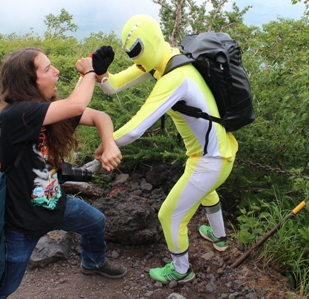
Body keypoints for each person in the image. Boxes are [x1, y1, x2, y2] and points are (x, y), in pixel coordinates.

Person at [90, 14, 238, 284]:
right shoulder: (165, 58)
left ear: (149, 43)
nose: (135, 61)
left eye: (136, 53)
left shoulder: (175, 78)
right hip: (219, 151)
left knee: (168, 215)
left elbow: (135, 129)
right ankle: (219, 237)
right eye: (130, 56)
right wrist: (101, 74)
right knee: (206, 190)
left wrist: (106, 143)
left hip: (211, 160)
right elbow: (114, 87)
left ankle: (181, 270)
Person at [0, 47, 127, 299]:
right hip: (20, 223)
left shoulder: (49, 110)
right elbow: (77, 104)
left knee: (95, 222)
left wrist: (109, 143)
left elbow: (100, 117)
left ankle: (93, 262)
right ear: (30, 81)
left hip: (54, 204)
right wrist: (91, 71)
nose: (56, 71)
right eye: (48, 68)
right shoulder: (15, 116)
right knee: (2, 287)